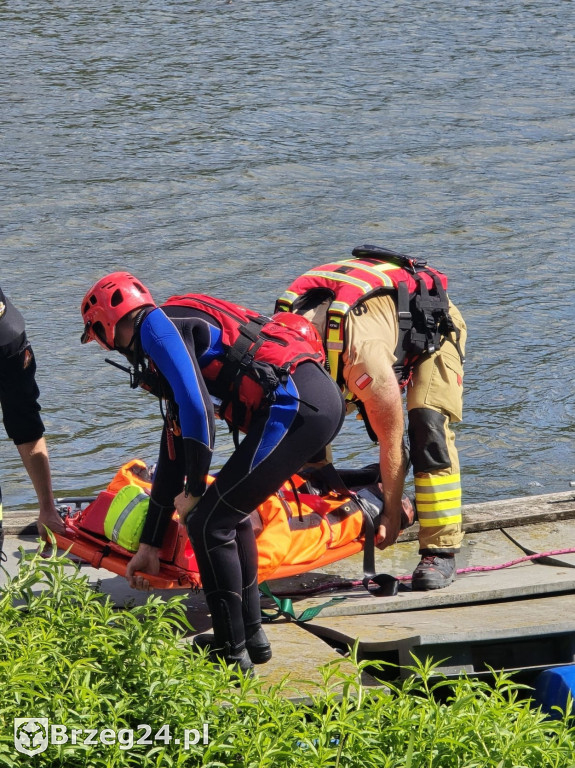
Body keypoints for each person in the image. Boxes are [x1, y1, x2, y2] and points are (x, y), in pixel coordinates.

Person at [80, 273, 345, 673]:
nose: (103, 345)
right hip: (309, 402)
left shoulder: (156, 330)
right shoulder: (170, 330)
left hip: (297, 408)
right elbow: (173, 446)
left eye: (98, 336)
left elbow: (199, 411)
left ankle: (229, 652)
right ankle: (250, 639)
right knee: (227, 516)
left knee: (208, 522)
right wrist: (150, 544)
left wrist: (194, 492)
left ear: (106, 323)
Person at [275, 244, 467, 591]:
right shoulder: (277, 347)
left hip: (432, 328)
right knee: (305, 427)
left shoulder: (362, 358)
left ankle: (441, 549)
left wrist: (391, 517)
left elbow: (392, 439)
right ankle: (370, 486)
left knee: (427, 427)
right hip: (362, 333)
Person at [0, 286, 66, 556]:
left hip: (9, 340)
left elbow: (26, 425)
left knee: (23, 415)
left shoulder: (8, 340)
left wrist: (47, 508)